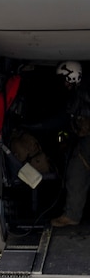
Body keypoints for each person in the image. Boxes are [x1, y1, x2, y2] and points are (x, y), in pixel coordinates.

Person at [52, 61, 90, 227]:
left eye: (65, 79)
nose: (64, 83)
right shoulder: (77, 95)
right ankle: (72, 215)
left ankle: (72, 215)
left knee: (76, 175)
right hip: (83, 141)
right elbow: (66, 124)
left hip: (86, 140)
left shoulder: (84, 93)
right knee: (75, 174)